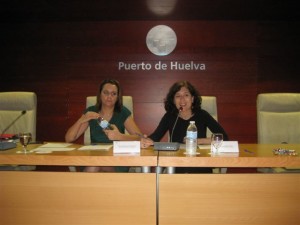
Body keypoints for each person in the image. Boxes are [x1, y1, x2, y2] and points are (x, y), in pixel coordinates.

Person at [141, 80, 229, 173]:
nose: (182, 100)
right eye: (178, 96)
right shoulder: (170, 116)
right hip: (176, 166)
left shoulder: (202, 115)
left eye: (186, 95)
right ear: (173, 100)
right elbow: (155, 136)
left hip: (200, 164)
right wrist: (146, 141)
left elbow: (223, 138)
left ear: (192, 98)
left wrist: (198, 141)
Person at [65, 79, 142, 172]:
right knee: (95, 164)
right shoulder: (92, 112)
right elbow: (69, 139)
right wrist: (80, 120)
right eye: (106, 93)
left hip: (116, 160)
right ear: (100, 94)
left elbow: (140, 138)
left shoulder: (122, 112)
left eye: (113, 94)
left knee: (95, 165)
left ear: (118, 97)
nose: (109, 96)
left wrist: (120, 136)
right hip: (94, 157)